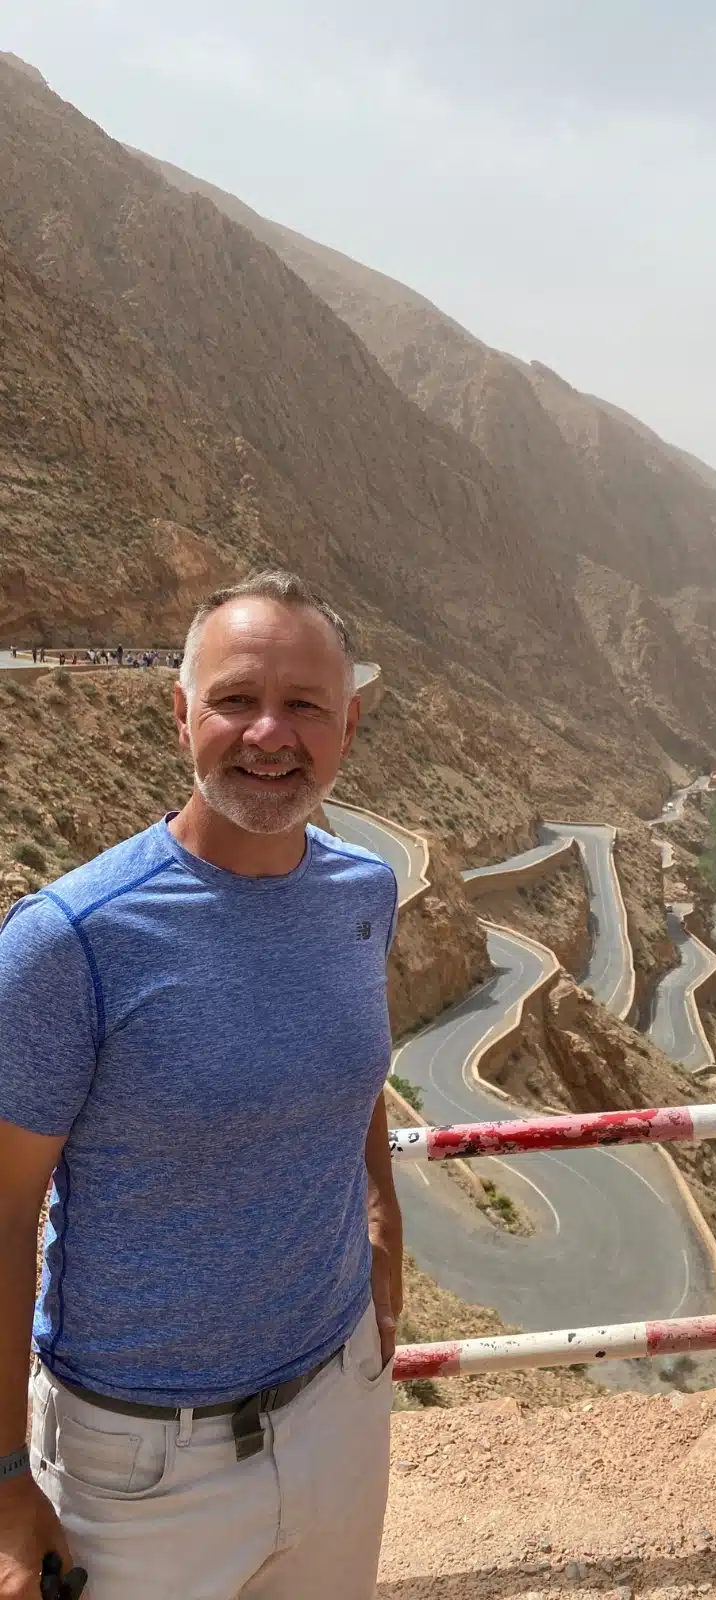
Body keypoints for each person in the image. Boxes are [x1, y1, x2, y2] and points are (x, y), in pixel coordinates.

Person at [0, 570, 404, 1599]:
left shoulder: (364, 893)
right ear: (181, 716)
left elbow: (349, 1059)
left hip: (338, 1413)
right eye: (235, 699)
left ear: (348, 725)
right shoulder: (69, 942)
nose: (271, 733)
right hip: (139, 1473)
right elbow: (4, 1211)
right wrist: (4, 1481)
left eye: (305, 705)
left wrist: (380, 1201)